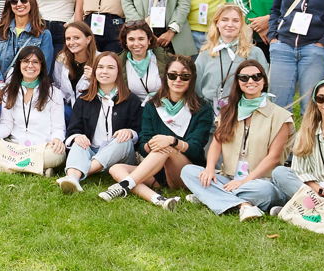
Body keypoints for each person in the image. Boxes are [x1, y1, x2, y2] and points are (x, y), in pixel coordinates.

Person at [180, 58, 293, 220]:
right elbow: (216, 144)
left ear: (264, 81)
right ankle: (244, 205)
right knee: (188, 171)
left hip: (260, 181)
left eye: (256, 77)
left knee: (264, 192)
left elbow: (274, 158)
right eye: (244, 78)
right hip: (228, 177)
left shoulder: (281, 116)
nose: (250, 81)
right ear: (238, 82)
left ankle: (209, 196)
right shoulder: (228, 111)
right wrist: (210, 168)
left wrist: (244, 182)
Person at [248, 79, 324, 224]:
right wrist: (321, 191)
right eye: (320, 98)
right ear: (315, 102)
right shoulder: (306, 133)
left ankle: (297, 212)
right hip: (311, 192)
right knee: (279, 172)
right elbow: (298, 172)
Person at [103, 55, 211, 208]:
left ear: (192, 79)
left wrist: (172, 142)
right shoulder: (152, 105)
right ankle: (157, 199)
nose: (178, 80)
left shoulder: (202, 108)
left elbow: (196, 148)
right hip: (158, 170)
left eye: (184, 76)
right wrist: (150, 145)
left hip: (186, 171)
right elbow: (143, 142)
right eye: (173, 75)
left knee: (167, 147)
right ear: (165, 77)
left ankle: (125, 185)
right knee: (116, 168)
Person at [0, 45, 65, 174]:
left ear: (42, 66)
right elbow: (6, 124)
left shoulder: (54, 93)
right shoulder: (9, 91)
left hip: (41, 147)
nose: (30, 66)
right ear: (19, 65)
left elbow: (58, 127)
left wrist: (57, 140)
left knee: (56, 155)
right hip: (14, 146)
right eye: (26, 61)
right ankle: (37, 169)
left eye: (35, 62)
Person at [61, 53, 141, 194]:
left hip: (119, 156)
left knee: (123, 140)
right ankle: (72, 179)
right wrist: (77, 136)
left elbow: (139, 130)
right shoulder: (84, 99)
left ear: (118, 71)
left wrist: (129, 132)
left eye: (110, 67)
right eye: (100, 67)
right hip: (92, 149)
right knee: (79, 142)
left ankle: (82, 173)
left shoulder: (131, 99)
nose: (104, 71)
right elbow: (73, 129)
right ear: (95, 71)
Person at [0, 0, 54, 89]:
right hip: (0, 88)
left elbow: (44, 67)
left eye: (24, 0)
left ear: (32, 2)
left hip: (28, 89)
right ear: (10, 5)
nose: (19, 4)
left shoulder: (43, 34)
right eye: (14, 1)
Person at [194, 3, 257, 109]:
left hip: (243, 110)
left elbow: (262, 86)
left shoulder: (254, 53)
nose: (230, 24)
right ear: (217, 23)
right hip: (210, 112)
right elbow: (196, 87)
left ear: (241, 24)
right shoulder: (205, 54)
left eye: (235, 21)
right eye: (224, 19)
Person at [52, 22, 98, 106]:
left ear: (88, 39)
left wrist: (94, 80)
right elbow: (57, 86)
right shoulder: (61, 59)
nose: (71, 42)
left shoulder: (101, 60)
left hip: (92, 108)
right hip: (67, 108)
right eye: (68, 39)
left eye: (76, 38)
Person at [120, 23, 164, 100]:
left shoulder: (165, 60)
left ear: (149, 40)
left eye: (141, 39)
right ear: (126, 42)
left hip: (162, 106)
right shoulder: (118, 63)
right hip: (134, 109)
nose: (136, 44)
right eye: (131, 39)